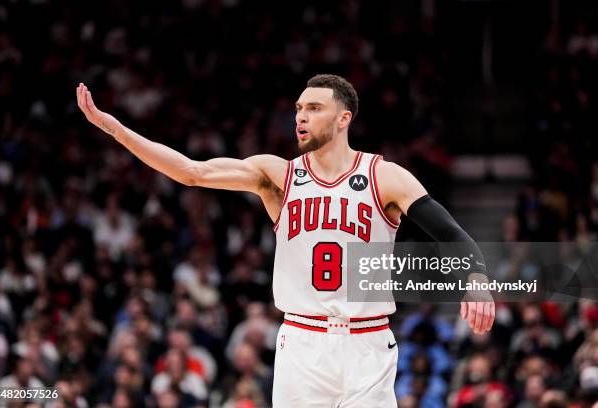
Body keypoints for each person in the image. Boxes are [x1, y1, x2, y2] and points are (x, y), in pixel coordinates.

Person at [76, 74, 495, 407]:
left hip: (368, 342)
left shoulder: (385, 176)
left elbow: (450, 234)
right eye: (298, 109)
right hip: (302, 342)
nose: (301, 117)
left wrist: (476, 276)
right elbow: (193, 171)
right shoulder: (277, 175)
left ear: (344, 118)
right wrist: (116, 131)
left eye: (314, 108)